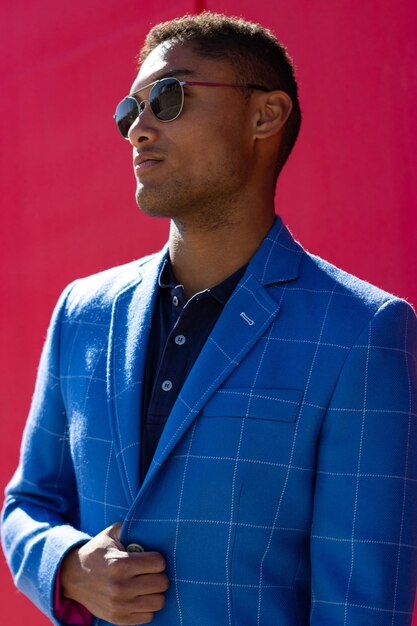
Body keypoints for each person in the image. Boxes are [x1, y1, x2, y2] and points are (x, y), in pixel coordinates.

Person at [2, 11, 417, 626]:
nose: (137, 129)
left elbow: (360, 604)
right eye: (129, 110)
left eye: (167, 98)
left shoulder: (362, 331)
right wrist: (67, 567)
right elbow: (28, 502)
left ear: (264, 115)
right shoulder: (82, 313)